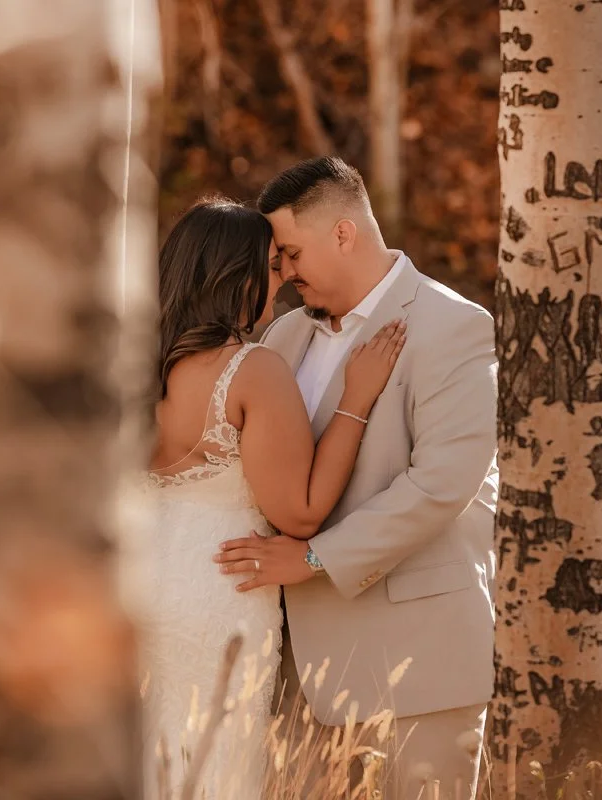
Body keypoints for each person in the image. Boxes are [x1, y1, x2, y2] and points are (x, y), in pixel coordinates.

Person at [213, 157, 499, 797]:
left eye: (290, 252)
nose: (283, 276)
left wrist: (313, 557)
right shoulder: (286, 336)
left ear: (343, 233)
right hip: (294, 677)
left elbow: (442, 485)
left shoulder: (454, 325)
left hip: (419, 667)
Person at [139, 197, 407, 798]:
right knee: (214, 766)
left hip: (142, 585)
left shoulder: (136, 362)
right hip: (218, 591)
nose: (284, 278)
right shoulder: (251, 370)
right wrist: (355, 401)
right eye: (271, 264)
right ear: (232, 274)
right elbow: (301, 512)